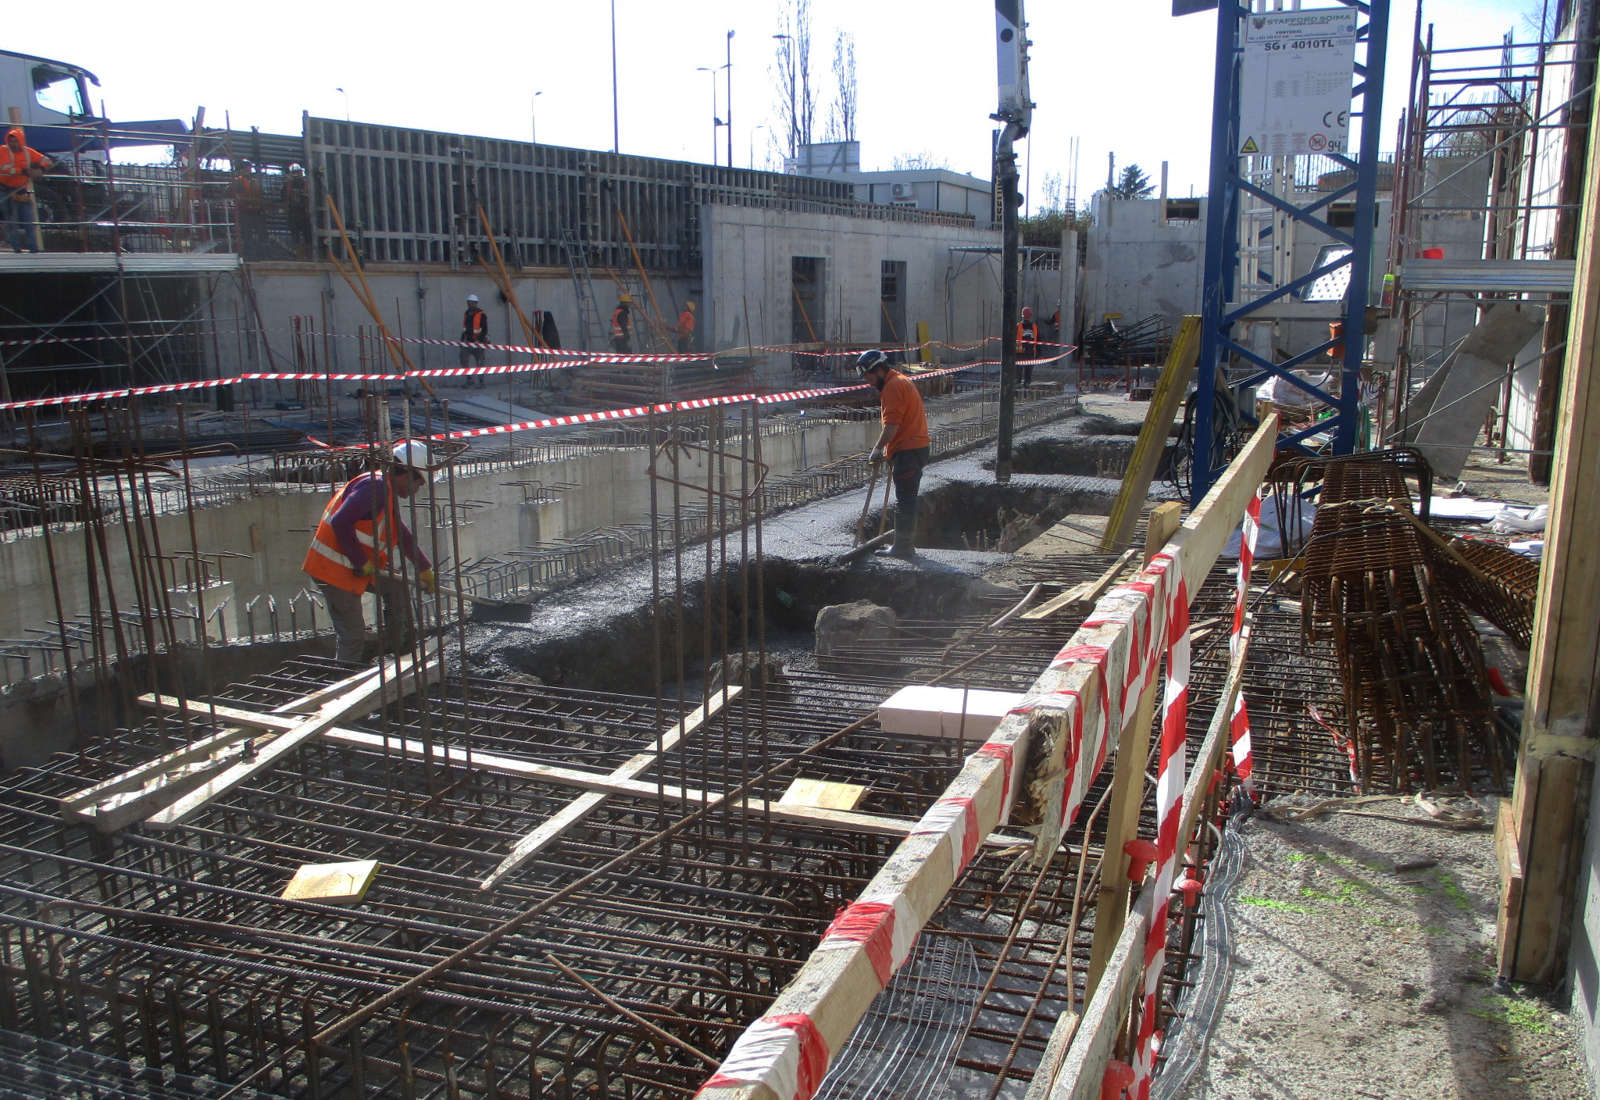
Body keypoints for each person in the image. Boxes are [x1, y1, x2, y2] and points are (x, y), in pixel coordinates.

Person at [302, 441, 439, 663]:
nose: (418, 489)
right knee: (353, 636)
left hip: (354, 565)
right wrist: (360, 561)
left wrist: (424, 568)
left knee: (397, 585)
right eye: (420, 483)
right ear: (407, 474)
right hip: (333, 569)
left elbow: (400, 533)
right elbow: (341, 522)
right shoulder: (375, 488)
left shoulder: (385, 489)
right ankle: (343, 687)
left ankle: (398, 650)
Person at [858, 349, 931, 560]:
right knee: (907, 499)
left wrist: (877, 449)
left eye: (869, 376)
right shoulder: (900, 381)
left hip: (908, 451)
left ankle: (903, 547)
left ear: (879, 370)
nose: (868, 382)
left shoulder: (892, 387)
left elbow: (892, 425)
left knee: (905, 501)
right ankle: (904, 544)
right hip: (915, 447)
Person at [0, 128, 52, 254]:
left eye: (16, 141)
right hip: (4, 190)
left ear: (21, 142)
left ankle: (33, 250)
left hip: (21, 190)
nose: (13, 144)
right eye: (11, 141)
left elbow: (46, 160)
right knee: (11, 222)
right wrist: (23, 171)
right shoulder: (2, 151)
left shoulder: (28, 153)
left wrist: (41, 169)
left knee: (29, 221)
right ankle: (16, 250)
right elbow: (4, 169)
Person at [460, 293, 489, 387]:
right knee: (463, 359)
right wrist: (462, 340)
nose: (470, 304)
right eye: (468, 303)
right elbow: (465, 328)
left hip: (478, 343)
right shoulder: (466, 313)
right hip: (468, 342)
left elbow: (484, 330)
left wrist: (479, 340)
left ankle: (481, 382)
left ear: (476, 303)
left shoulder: (481, 314)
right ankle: (469, 380)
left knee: (480, 362)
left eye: (472, 303)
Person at [1016, 306, 1040, 386]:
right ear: (1030, 316)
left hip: (1020, 355)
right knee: (1027, 377)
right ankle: (1026, 394)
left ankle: (1017, 394)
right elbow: (1038, 341)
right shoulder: (1034, 327)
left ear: (1022, 315)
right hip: (1029, 354)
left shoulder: (1018, 326)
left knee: (1017, 378)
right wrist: (1037, 354)